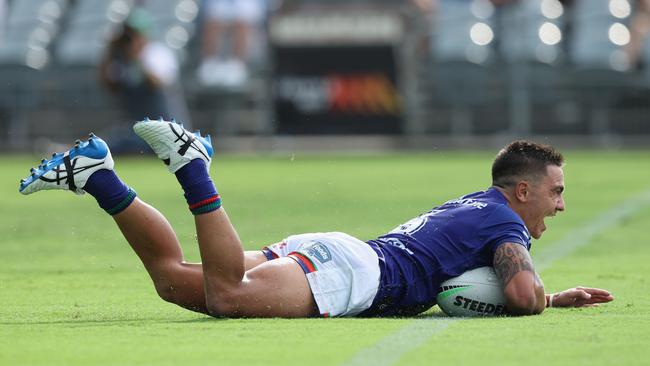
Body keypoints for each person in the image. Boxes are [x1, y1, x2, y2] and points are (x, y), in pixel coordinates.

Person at [19, 121, 613, 317]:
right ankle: (192, 166)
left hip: (343, 254)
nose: (561, 205)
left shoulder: (481, 207)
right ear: (523, 190)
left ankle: (96, 176)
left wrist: (550, 296)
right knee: (226, 294)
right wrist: (545, 297)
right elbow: (521, 293)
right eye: (556, 193)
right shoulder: (504, 224)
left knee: (176, 280)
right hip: (355, 275)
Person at [99, 9, 190, 152]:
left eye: (135, 34)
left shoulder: (158, 53)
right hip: (139, 128)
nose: (132, 39)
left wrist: (137, 59)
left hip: (166, 129)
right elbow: (108, 85)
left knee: (113, 145)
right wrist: (110, 50)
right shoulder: (122, 60)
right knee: (116, 140)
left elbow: (158, 85)